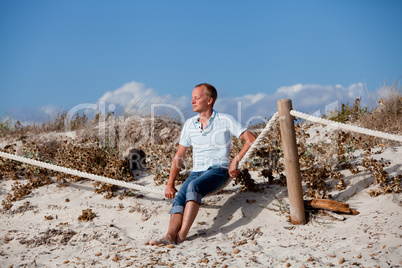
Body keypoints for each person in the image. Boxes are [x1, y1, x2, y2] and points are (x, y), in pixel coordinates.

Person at [149, 83, 256, 245]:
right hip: (196, 172)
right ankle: (169, 236)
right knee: (179, 199)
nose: (192, 101)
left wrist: (235, 160)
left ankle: (182, 235)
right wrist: (170, 183)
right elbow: (179, 155)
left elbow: (251, 139)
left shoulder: (225, 120)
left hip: (218, 171)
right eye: (192, 98)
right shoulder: (189, 124)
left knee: (193, 188)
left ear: (209, 100)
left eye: (197, 98)